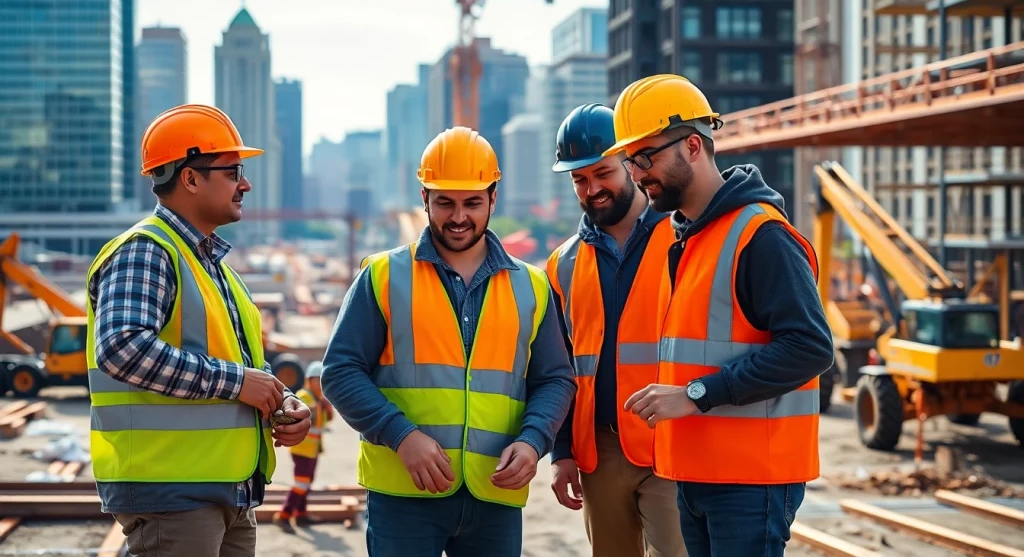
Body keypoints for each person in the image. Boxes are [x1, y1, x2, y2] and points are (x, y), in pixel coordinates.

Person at [605, 75, 834, 557]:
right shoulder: (689, 237)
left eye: (646, 157)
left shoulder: (761, 235)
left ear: (692, 146)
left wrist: (696, 394)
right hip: (696, 473)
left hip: (750, 481)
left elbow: (809, 347)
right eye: (630, 161)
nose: (637, 173)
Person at [320, 126, 576, 557]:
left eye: (473, 203)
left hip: (493, 495)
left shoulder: (532, 286)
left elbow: (556, 379)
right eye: (445, 203)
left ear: (493, 198)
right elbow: (340, 373)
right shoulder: (382, 277)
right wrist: (401, 436)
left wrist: (534, 441)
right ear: (425, 199)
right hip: (403, 496)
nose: (459, 217)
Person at [85, 103, 312, 557]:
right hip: (172, 490)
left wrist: (279, 399)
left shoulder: (213, 267)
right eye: (232, 171)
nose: (244, 183)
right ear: (189, 178)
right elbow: (122, 348)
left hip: (224, 490)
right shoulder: (146, 251)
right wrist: (240, 383)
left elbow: (243, 364)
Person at [545, 103, 687, 557]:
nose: (592, 189)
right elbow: (562, 366)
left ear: (631, 161)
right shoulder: (562, 263)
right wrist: (562, 451)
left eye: (602, 173)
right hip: (600, 451)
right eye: (579, 180)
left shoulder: (685, 239)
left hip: (673, 439)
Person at [273, 361, 334, 532]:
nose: (322, 384)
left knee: (307, 482)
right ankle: (284, 515)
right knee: (302, 482)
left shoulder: (318, 399)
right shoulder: (304, 396)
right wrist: (320, 406)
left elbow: (326, 420)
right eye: (319, 380)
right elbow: (308, 414)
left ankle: (300, 514)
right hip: (302, 449)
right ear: (309, 380)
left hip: (312, 449)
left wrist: (327, 410)